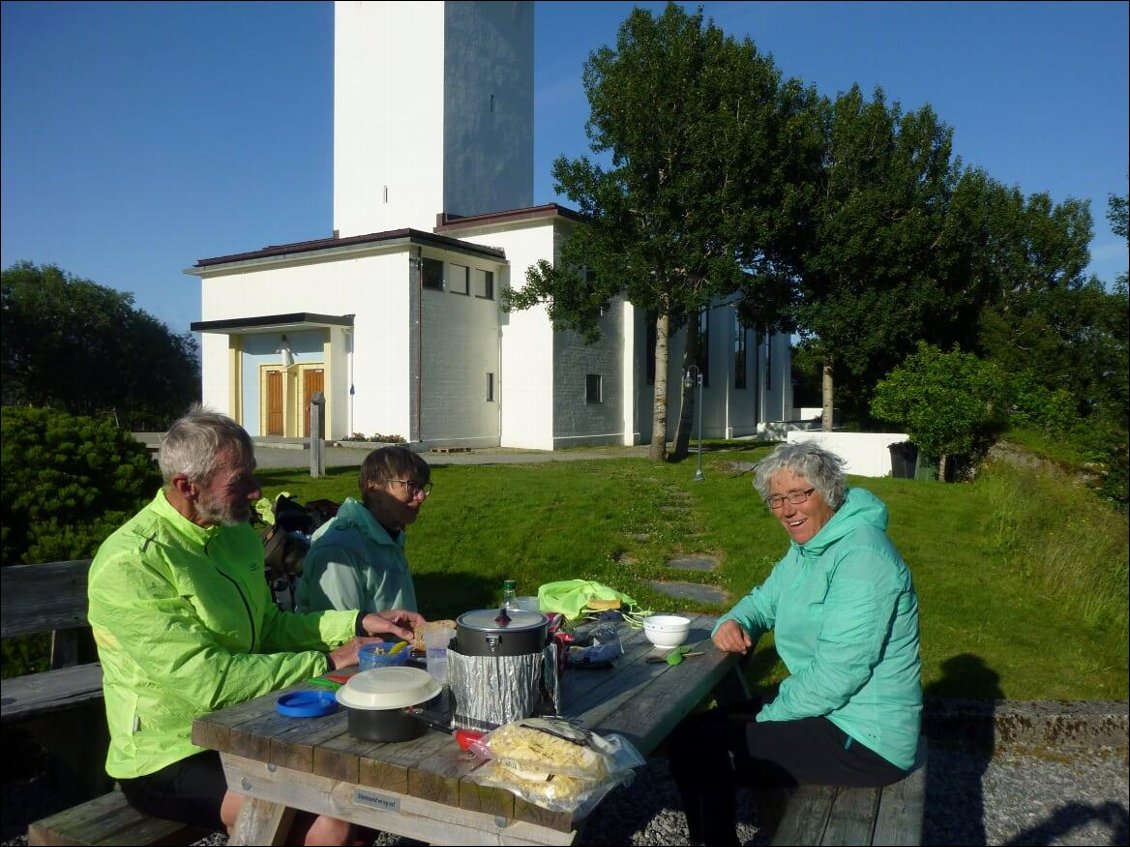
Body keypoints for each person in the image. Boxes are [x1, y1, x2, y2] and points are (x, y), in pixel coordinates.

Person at [87, 406, 425, 846]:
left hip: (250, 723)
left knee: (357, 801)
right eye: (240, 481)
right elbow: (208, 682)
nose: (256, 492)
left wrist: (358, 621)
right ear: (187, 487)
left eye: (252, 474)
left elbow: (268, 627)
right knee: (325, 822)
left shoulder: (235, 535)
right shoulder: (133, 562)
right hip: (169, 752)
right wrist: (325, 659)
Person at [667, 441, 922, 846]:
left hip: (867, 739)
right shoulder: (809, 549)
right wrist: (735, 619)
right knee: (691, 733)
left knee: (699, 745)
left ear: (830, 493)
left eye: (800, 495)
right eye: (776, 500)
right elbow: (765, 599)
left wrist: (767, 716)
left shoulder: (862, 557)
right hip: (834, 716)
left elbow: (838, 674)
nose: (787, 510)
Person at [295, 446, 431, 614]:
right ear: (373, 489)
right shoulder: (340, 548)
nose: (422, 496)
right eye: (411, 486)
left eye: (423, 487)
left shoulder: (386, 535)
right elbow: (342, 634)